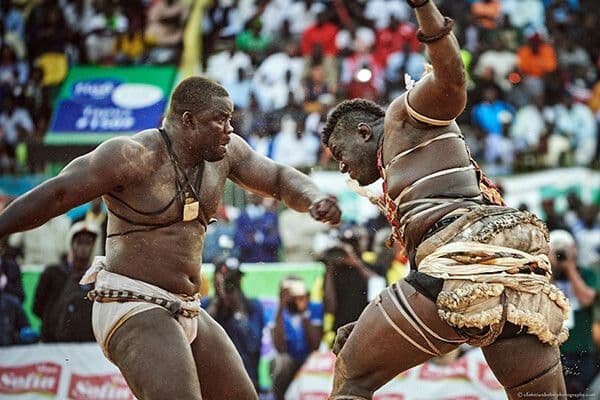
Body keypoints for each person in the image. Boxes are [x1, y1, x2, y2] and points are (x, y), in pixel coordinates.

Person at [0, 76, 341, 400]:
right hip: (131, 301)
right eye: (220, 120)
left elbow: (279, 178)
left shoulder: (226, 155)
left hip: (187, 306)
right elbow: (57, 194)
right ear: (188, 121)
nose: (230, 129)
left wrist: (314, 198)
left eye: (230, 119)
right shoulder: (132, 156)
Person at [320, 1, 569, 399]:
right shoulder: (403, 172)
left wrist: (424, 11)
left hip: (462, 261)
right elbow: (425, 266)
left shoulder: (403, 116)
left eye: (339, 153)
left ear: (364, 133)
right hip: (508, 271)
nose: (343, 169)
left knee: (352, 377)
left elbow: (452, 79)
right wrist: (373, 325)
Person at [203, 256, 264, 392]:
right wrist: (218, 303)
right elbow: (198, 339)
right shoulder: (206, 306)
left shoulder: (253, 307)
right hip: (213, 380)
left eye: (234, 280)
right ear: (215, 280)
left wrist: (238, 310)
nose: (232, 285)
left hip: (246, 379)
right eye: (227, 280)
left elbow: (253, 346)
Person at [549, 230, 599, 394]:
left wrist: (569, 267)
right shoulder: (544, 278)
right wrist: (550, 267)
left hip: (582, 349)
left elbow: (587, 299)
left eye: (565, 248)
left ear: (574, 250)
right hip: (554, 351)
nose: (561, 253)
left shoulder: (587, 274)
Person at [33, 221, 99, 343]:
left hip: (88, 345)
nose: (84, 247)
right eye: (80, 242)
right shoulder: (52, 273)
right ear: (71, 244)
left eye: (88, 243)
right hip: (53, 342)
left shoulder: (97, 277)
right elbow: (37, 308)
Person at [270, 276, 322, 400]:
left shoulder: (313, 308)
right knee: (281, 362)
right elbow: (279, 347)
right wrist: (281, 306)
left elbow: (316, 345)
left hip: (309, 358)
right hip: (289, 360)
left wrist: (303, 311)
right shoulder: (276, 312)